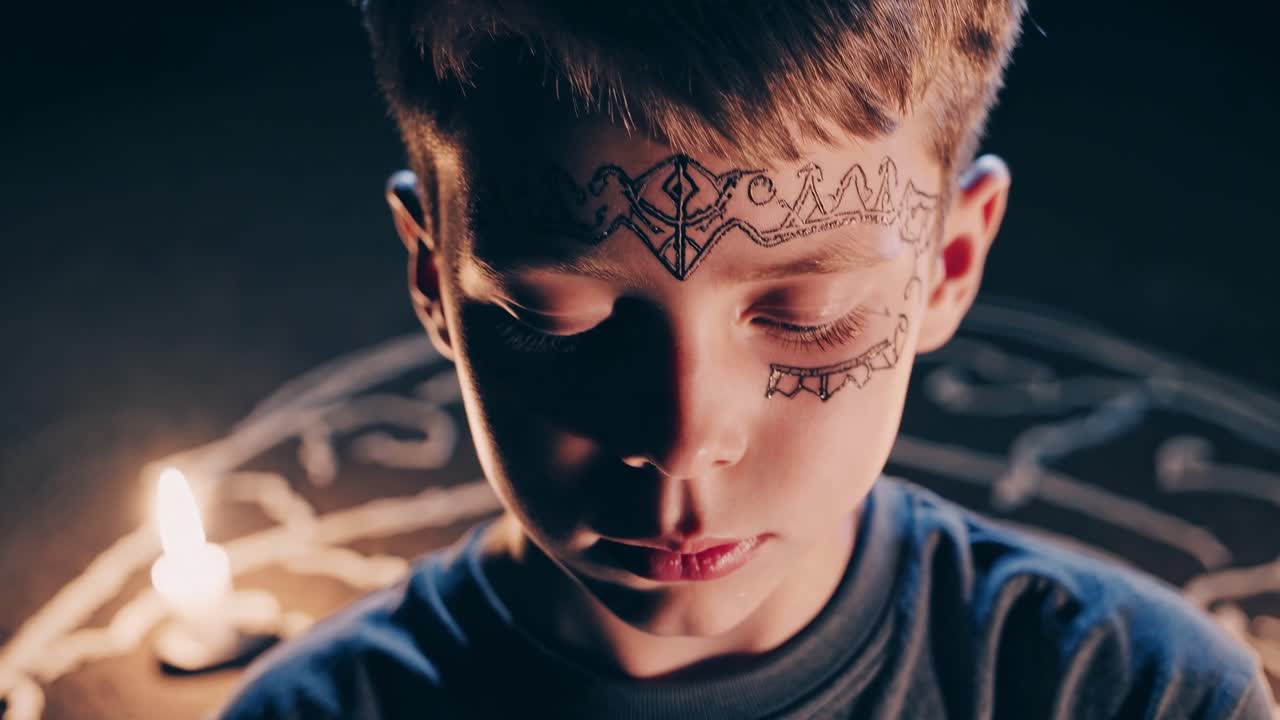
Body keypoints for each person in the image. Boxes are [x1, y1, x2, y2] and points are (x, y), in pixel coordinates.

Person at [216, 0, 1274, 717]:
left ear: (948, 264)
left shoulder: (1135, 693)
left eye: (808, 316)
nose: (683, 441)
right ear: (432, 277)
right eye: (555, 314)